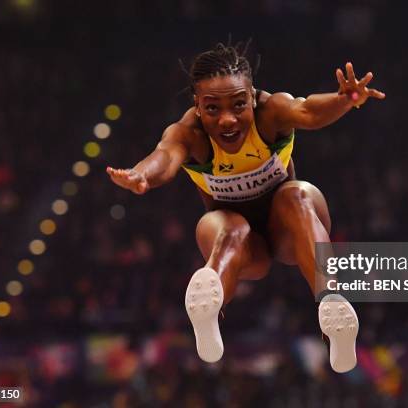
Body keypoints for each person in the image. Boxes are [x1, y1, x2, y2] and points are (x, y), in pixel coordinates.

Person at [106, 42, 385, 373]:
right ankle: (210, 303)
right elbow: (165, 156)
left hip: (290, 230)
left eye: (238, 105)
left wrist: (344, 100)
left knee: (296, 194)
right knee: (227, 225)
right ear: (197, 106)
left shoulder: (272, 111)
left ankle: (332, 302)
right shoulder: (188, 133)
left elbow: (309, 111)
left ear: (252, 96)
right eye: (212, 109)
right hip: (243, 246)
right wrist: (142, 175)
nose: (227, 120)